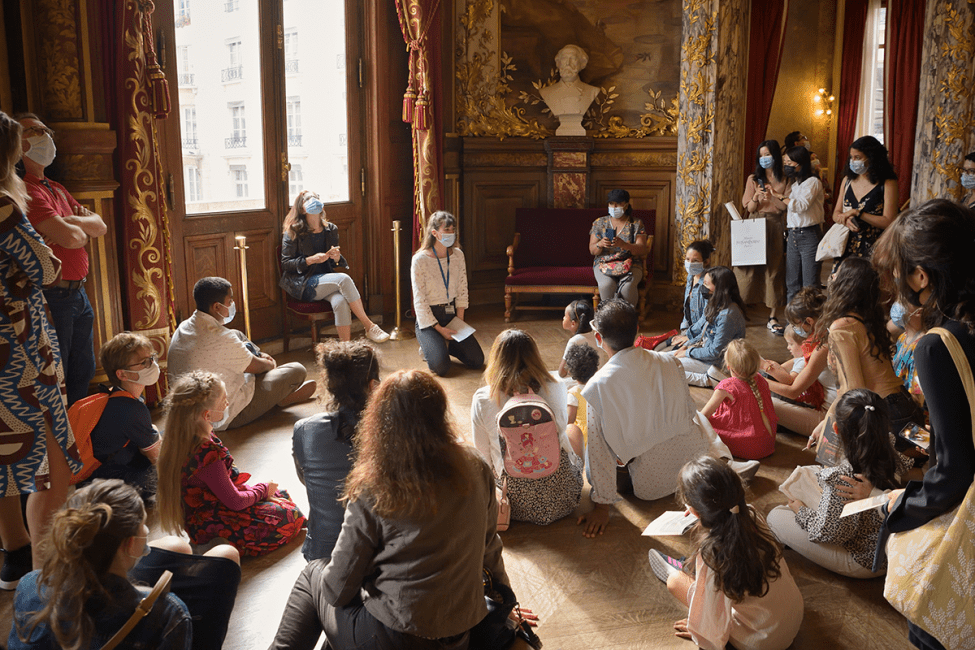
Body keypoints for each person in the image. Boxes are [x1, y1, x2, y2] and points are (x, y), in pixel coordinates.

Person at [268, 369, 528, 650]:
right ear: (440, 414)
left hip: (394, 638)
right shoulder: (475, 466)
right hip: (458, 636)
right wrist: (507, 601)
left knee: (314, 573)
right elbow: (490, 547)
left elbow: (337, 589)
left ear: (380, 422)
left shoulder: (375, 483)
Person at [872, 199, 975, 650]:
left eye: (899, 270)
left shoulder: (938, 345)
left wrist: (901, 509)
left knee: (931, 627)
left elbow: (953, 468)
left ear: (921, 276)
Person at [576, 299, 747, 538]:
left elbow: (598, 450)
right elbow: (688, 415)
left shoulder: (597, 386)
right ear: (637, 331)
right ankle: (722, 461)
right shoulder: (670, 361)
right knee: (697, 415)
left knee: (592, 442)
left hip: (649, 484)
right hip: (691, 468)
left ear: (598, 339)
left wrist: (602, 507)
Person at [0, 111, 80, 589]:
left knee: (4, 455)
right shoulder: (5, 207)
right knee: (51, 466)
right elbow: (47, 267)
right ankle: (44, 581)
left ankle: (14, 553)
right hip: (19, 347)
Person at [9, 479, 192, 649]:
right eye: (143, 524)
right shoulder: (167, 614)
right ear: (128, 544)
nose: (146, 530)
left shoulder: (29, 586)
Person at [648, 456, 803, 650]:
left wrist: (698, 628)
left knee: (674, 582)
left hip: (760, 642)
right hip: (792, 618)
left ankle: (683, 572)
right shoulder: (752, 516)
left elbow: (711, 618)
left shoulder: (713, 553)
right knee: (720, 583)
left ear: (695, 511)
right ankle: (693, 575)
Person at [156, 371, 306, 557]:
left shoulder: (186, 437)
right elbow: (235, 501)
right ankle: (216, 543)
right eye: (224, 401)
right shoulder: (206, 451)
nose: (227, 404)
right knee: (289, 516)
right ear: (207, 414)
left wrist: (263, 491)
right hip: (215, 519)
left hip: (203, 517)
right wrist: (262, 489)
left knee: (280, 495)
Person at [767, 389, 910, 579]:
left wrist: (801, 511)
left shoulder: (844, 476)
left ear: (835, 429)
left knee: (775, 515)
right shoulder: (889, 446)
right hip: (889, 547)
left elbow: (829, 533)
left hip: (865, 560)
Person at [17, 113, 107, 406]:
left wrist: (66, 222)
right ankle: (62, 443)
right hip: (52, 296)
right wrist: (73, 226)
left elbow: (100, 227)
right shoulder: (25, 190)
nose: (45, 136)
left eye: (46, 129)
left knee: (84, 370)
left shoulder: (55, 187)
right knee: (59, 375)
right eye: (34, 130)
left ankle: (78, 435)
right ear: (16, 144)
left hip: (79, 292)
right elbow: (73, 238)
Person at [168, 276, 316, 430]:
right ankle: (280, 398)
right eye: (230, 301)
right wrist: (269, 362)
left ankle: (275, 390)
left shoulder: (184, 326)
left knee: (237, 334)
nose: (232, 305)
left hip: (187, 412)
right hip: (223, 416)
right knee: (296, 370)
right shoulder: (222, 338)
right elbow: (260, 367)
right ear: (217, 307)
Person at [471, 329, 584, 525]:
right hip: (564, 500)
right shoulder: (556, 385)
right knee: (573, 430)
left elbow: (483, 455)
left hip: (511, 505)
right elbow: (561, 431)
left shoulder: (483, 398)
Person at [810, 257, 924, 444]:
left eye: (836, 273)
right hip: (905, 410)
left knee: (840, 467)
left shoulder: (842, 327)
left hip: (887, 415)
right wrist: (826, 421)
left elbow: (852, 390)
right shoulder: (866, 320)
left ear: (845, 283)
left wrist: (831, 425)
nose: (831, 276)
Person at [292, 340, 379, 562]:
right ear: (374, 385)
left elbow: (306, 479)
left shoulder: (305, 429)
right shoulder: (393, 430)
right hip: (377, 555)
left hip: (323, 553)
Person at [279, 191, 388, 343]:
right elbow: (286, 264)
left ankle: (345, 350)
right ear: (302, 209)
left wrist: (336, 258)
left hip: (326, 281)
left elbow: (333, 264)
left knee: (341, 302)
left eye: (316, 198)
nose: (314, 201)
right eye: (309, 199)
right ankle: (369, 325)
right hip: (303, 283)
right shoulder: (292, 231)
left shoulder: (331, 229)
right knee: (344, 279)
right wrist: (310, 260)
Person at [80, 332, 162, 500]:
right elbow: (157, 457)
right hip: (103, 486)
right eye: (144, 362)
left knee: (161, 439)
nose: (152, 365)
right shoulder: (131, 409)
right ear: (122, 374)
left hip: (94, 478)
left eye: (152, 358)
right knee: (173, 464)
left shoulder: (115, 395)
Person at [410, 211, 484, 376]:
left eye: (453, 230)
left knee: (477, 360)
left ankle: (444, 346)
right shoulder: (419, 260)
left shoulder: (458, 255)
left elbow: (462, 289)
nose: (451, 234)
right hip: (429, 320)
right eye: (447, 230)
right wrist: (439, 329)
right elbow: (420, 301)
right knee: (441, 368)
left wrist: (459, 322)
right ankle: (431, 346)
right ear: (434, 233)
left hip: (452, 315)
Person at [763, 287, 836, 437]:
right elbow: (791, 366)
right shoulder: (822, 338)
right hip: (824, 408)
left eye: (796, 325)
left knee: (759, 401)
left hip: (827, 417)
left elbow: (793, 391)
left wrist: (758, 380)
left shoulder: (823, 346)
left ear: (809, 321)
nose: (795, 330)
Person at [739, 142, 789, 333]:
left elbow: (785, 207)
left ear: (775, 156)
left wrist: (774, 195)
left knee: (774, 269)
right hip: (754, 223)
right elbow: (748, 208)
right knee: (747, 268)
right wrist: (756, 197)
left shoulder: (784, 178)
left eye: (767, 154)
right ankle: (740, 309)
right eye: (761, 155)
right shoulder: (754, 178)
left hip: (775, 224)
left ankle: (773, 315)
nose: (764, 158)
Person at [830, 135, 898, 273]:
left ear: (872, 157)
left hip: (876, 249)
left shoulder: (887, 183)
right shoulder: (847, 180)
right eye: (851, 157)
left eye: (858, 157)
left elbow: (889, 221)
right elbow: (836, 214)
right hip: (846, 246)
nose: (853, 161)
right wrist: (845, 220)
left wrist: (858, 213)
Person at [670, 266, 747, 387]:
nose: (702, 287)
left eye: (706, 284)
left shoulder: (728, 315)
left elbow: (715, 352)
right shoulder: (715, 303)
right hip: (705, 355)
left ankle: (709, 379)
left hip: (716, 363)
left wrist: (689, 352)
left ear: (720, 288)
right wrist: (687, 345)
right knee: (661, 358)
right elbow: (705, 334)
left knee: (666, 367)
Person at [701, 340, 778, 460]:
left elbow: (703, 416)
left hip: (745, 446)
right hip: (767, 444)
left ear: (728, 366)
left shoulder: (726, 386)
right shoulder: (761, 380)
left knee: (703, 425)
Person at [588, 189, 649, 307]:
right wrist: (600, 244)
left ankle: (628, 319)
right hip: (604, 262)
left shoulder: (636, 223)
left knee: (627, 287)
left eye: (618, 203)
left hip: (631, 262)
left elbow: (642, 249)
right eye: (611, 204)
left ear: (626, 205)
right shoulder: (600, 222)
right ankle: (608, 318)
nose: (614, 207)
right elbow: (592, 250)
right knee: (606, 285)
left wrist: (624, 245)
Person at [780, 146, 824, 303]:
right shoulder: (794, 185)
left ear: (800, 163)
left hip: (809, 235)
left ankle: (812, 322)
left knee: (810, 285)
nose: (786, 165)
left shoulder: (813, 182)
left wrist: (779, 197)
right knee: (791, 283)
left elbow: (800, 206)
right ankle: (792, 323)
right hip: (793, 235)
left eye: (789, 162)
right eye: (784, 161)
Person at [539, 44, 600, 136]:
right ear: (558, 63)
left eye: (573, 58)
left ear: (582, 64)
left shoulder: (593, 91)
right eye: (564, 58)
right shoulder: (546, 92)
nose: (568, 63)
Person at [565, 342, 599, 452]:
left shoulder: (574, 393)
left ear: (570, 371)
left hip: (582, 439)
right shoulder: (598, 388)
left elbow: (569, 422)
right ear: (595, 369)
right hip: (599, 436)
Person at [557, 298, 600, 377]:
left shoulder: (574, 341)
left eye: (565, 316)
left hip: (584, 383)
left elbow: (561, 372)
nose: (563, 318)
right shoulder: (596, 334)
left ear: (573, 323)